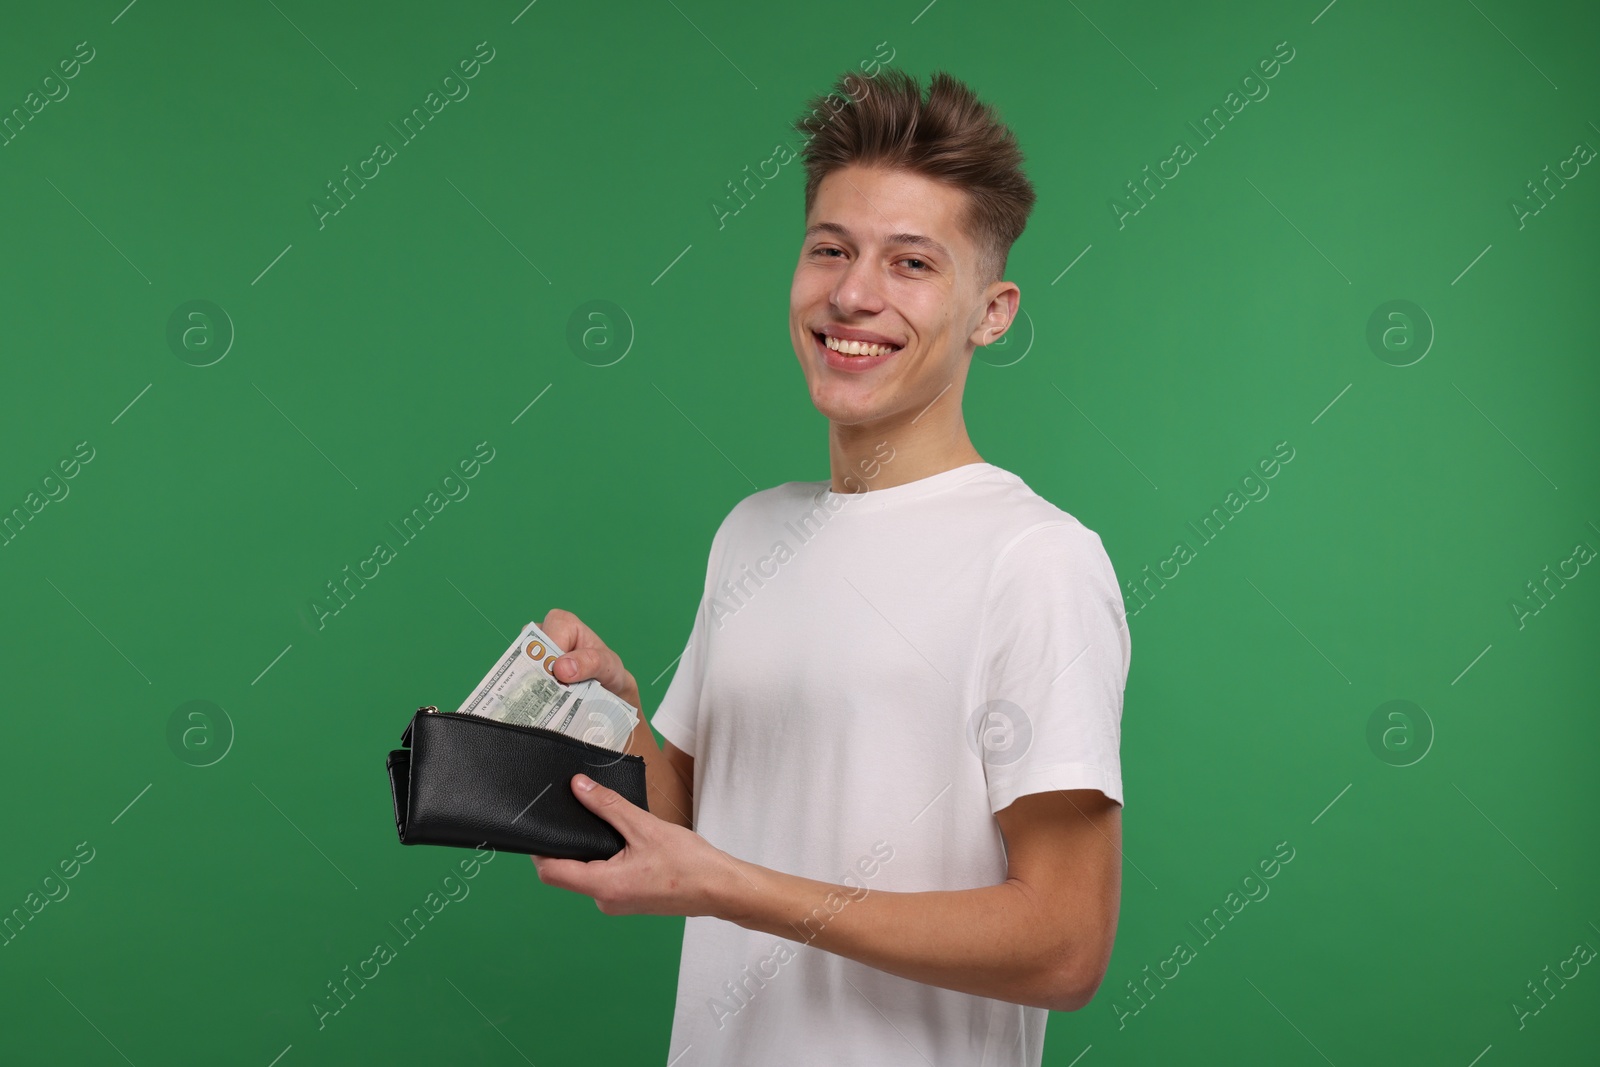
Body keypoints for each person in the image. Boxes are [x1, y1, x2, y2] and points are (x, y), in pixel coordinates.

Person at [529, 66, 1132, 1067]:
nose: (853, 293)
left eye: (911, 264)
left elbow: (1064, 947)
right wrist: (615, 706)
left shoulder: (1036, 561)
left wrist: (735, 886)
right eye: (831, 250)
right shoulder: (755, 533)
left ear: (992, 310)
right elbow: (677, 826)